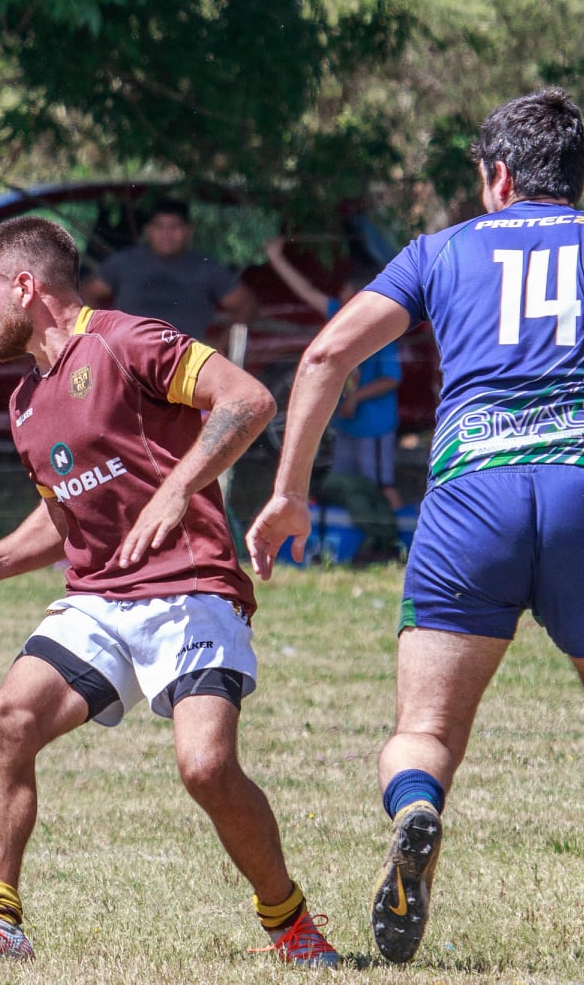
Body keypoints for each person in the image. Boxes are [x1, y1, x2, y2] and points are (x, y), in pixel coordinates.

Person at [0, 216, 336, 966]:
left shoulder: (126, 341)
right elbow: (63, 509)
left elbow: (248, 399)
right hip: (100, 596)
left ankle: (288, 921)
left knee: (205, 768)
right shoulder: (25, 401)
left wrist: (174, 492)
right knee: (5, 720)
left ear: (25, 286)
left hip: (190, 584)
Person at [247, 87, 584, 965]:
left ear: (497, 177)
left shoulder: (439, 251)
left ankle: (415, 807)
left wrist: (289, 492)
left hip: (471, 495)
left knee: (424, 729)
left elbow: (324, 354)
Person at [264, 237, 404, 561]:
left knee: (383, 484)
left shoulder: (383, 327)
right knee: (343, 484)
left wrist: (358, 398)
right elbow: (306, 293)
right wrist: (276, 258)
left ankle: (396, 544)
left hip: (375, 425)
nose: (339, 297)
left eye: (345, 292)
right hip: (347, 425)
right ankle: (353, 547)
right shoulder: (340, 317)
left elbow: (390, 379)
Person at [84, 198, 258, 338]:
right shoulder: (124, 262)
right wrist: (100, 335)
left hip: (186, 360)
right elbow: (87, 294)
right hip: (128, 355)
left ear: (189, 230)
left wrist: (222, 343)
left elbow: (246, 304)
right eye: (159, 227)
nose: (166, 234)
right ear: (148, 231)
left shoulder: (206, 268)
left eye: (174, 227)